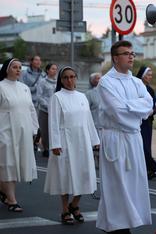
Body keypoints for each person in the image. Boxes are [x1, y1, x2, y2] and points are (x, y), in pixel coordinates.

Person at [96, 40, 153, 234]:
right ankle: (116, 226)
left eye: (132, 53)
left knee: (133, 182)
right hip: (115, 138)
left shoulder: (137, 82)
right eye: (126, 53)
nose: (131, 56)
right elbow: (116, 111)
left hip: (133, 138)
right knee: (116, 183)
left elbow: (148, 106)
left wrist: (130, 107)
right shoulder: (106, 82)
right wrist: (134, 109)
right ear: (115, 58)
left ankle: (126, 222)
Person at [44, 66, 100, 225]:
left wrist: (95, 140)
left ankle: (74, 204)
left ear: (76, 78)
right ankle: (64, 210)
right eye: (65, 78)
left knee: (84, 174)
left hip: (82, 141)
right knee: (65, 176)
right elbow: (53, 122)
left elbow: (88, 120)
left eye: (72, 77)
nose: (69, 80)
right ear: (61, 80)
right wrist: (55, 143)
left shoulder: (82, 96)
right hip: (65, 141)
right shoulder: (57, 97)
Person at [0, 58, 39, 212]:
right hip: (5, 131)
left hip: (23, 131)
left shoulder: (24, 88)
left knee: (16, 165)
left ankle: (5, 192)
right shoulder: (1, 86)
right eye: (14, 67)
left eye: (19, 67)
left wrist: (35, 130)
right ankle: (12, 199)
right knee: (8, 163)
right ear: (7, 69)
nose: (18, 70)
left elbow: (31, 109)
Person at [136, 66, 156, 180]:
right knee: (141, 146)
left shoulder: (150, 89)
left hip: (148, 122)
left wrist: (155, 110)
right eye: (148, 75)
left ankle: (148, 169)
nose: (150, 77)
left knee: (147, 145)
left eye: (151, 75)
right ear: (142, 76)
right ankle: (150, 167)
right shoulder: (136, 87)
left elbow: (153, 104)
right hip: (139, 121)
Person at [20, 55, 46, 151]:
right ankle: (26, 141)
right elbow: (22, 87)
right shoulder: (24, 73)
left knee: (38, 125)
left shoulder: (43, 74)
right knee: (27, 123)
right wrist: (34, 88)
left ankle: (35, 142)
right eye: (36, 60)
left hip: (39, 104)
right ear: (31, 62)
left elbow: (44, 89)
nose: (38, 62)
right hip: (27, 102)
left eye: (40, 60)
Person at [36, 63, 58, 157]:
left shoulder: (58, 82)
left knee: (54, 130)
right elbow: (39, 96)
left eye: (56, 69)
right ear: (48, 70)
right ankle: (45, 148)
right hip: (44, 110)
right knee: (44, 131)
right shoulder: (42, 81)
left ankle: (54, 148)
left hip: (55, 110)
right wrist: (48, 105)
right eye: (53, 69)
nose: (55, 71)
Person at [85, 72, 102, 168]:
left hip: (104, 125)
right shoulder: (89, 94)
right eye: (97, 78)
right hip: (94, 123)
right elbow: (86, 110)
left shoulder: (106, 92)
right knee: (95, 145)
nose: (100, 80)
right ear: (92, 81)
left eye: (100, 78)